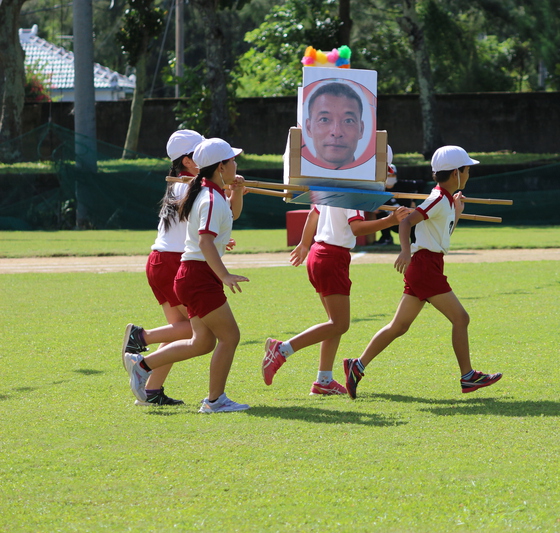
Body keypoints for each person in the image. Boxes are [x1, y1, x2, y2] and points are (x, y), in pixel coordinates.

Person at [342, 146, 503, 398]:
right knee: (461, 318)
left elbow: (442, 237)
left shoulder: (446, 200)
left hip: (429, 264)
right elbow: (406, 221)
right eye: (467, 170)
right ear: (455, 173)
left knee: (399, 326)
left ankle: (357, 366)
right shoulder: (438, 199)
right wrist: (405, 251)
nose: (469, 174)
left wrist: (457, 213)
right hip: (425, 266)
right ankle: (468, 377)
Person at [123, 138, 251, 413]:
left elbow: (230, 216)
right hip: (198, 275)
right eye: (232, 160)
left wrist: (236, 192)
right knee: (230, 337)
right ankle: (215, 401)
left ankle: (142, 365)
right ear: (221, 166)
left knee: (202, 342)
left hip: (192, 274)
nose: (237, 164)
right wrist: (225, 275)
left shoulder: (204, 191)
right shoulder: (209, 196)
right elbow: (205, 242)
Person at [261, 202, 412, 394]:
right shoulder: (351, 194)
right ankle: (282, 350)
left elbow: (312, 216)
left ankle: (323, 381)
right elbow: (356, 228)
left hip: (319, 253)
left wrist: (305, 244)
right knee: (340, 324)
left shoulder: (329, 189)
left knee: (334, 324)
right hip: (332, 257)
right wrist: (390, 220)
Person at [120, 130, 204, 406]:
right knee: (195, 330)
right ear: (189, 161)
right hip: (171, 261)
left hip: (161, 259)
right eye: (201, 153)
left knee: (180, 328)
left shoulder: (180, 184)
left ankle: (151, 390)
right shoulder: (186, 186)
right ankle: (140, 337)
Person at [304, 82, 365, 169]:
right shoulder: (297, 181)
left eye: (348, 121)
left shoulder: (374, 180)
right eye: (324, 119)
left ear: (361, 130)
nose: (336, 132)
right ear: (308, 128)